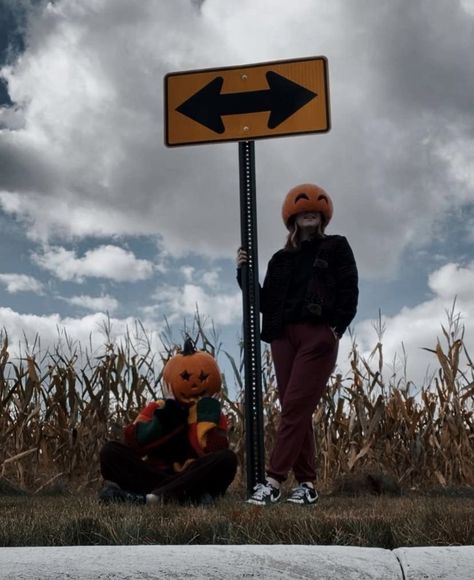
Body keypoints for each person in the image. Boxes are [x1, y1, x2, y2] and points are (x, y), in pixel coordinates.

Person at [237, 183, 358, 505]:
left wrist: (335, 329)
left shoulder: (336, 247)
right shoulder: (281, 259)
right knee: (296, 409)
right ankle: (307, 485)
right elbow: (262, 302)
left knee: (293, 408)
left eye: (315, 210)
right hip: (282, 336)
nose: (309, 213)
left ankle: (273, 481)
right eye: (303, 210)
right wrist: (243, 273)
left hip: (317, 334)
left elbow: (349, 289)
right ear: (292, 217)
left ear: (323, 216)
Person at [98, 339, 237, 505]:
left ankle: (149, 499)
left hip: (191, 476)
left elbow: (214, 450)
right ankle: (186, 497)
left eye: (202, 377)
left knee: (227, 459)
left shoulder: (212, 413)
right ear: (169, 381)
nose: (193, 384)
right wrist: (168, 415)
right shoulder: (159, 407)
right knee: (109, 451)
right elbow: (133, 443)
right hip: (156, 476)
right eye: (185, 376)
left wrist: (205, 416)